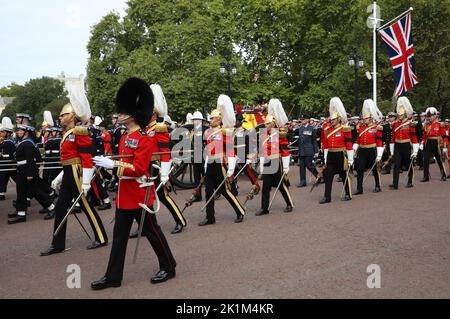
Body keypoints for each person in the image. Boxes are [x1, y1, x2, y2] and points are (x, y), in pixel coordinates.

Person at [91, 77, 176, 290]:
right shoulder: (122, 137)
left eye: (123, 110)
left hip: (139, 195)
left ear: (133, 113)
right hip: (124, 195)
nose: (119, 114)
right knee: (119, 238)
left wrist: (112, 165)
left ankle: (169, 265)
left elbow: (138, 168)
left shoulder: (145, 139)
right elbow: (124, 162)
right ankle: (113, 276)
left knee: (152, 232)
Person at [40, 80, 108, 255]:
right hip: (70, 173)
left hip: (78, 174)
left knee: (85, 205)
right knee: (61, 207)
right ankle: (58, 244)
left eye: (63, 115)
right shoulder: (67, 134)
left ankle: (101, 237)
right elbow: (69, 160)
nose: (60, 118)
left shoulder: (80, 132)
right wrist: (59, 178)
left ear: (71, 116)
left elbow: (86, 159)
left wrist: (86, 183)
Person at [199, 94, 245, 226]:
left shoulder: (225, 132)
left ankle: (240, 211)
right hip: (211, 163)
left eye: (212, 118)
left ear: (219, 120)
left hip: (220, 164)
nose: (210, 120)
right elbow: (208, 150)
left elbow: (230, 150)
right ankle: (210, 217)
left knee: (225, 191)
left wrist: (231, 168)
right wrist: (206, 165)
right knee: (208, 191)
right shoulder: (208, 133)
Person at [8, 124, 56, 224]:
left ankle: (52, 207)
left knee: (35, 191)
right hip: (22, 170)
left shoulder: (27, 143)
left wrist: (30, 174)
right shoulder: (23, 142)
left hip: (27, 171)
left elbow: (30, 160)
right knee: (21, 192)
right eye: (18, 130)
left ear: (26, 132)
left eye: (21, 131)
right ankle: (21, 213)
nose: (18, 132)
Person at [256, 99, 294, 215]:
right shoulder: (263, 134)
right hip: (267, 161)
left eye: (268, 123)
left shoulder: (279, 134)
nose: (266, 125)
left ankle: (289, 203)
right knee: (266, 186)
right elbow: (262, 151)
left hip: (277, 161)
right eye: (265, 123)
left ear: (273, 123)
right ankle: (264, 208)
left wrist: (286, 166)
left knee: (280, 185)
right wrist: (262, 165)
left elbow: (285, 150)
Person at [320, 97, 354, 204]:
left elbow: (349, 144)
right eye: (331, 119)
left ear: (338, 119)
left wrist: (350, 159)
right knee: (328, 175)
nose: (332, 121)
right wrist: (325, 157)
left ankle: (348, 194)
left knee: (344, 175)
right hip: (330, 155)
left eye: (334, 119)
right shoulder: (327, 130)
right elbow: (325, 145)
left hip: (341, 154)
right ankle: (327, 197)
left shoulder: (345, 129)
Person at [353, 99, 384, 195]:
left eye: (366, 118)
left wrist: (379, 155)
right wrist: (354, 149)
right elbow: (358, 140)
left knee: (375, 169)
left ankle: (378, 185)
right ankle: (359, 188)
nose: (364, 120)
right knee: (359, 169)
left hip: (372, 150)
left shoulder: (376, 128)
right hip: (362, 150)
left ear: (370, 118)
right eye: (364, 118)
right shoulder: (361, 128)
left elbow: (379, 141)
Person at [389, 97, 419, 189]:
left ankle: (410, 181)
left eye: (401, 115)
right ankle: (395, 183)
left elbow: (413, 137)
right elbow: (393, 138)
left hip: (406, 145)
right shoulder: (395, 124)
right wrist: (392, 150)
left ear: (405, 114)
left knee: (408, 163)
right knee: (396, 164)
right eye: (399, 115)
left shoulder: (410, 124)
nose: (399, 116)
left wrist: (415, 150)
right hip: (397, 146)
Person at [420, 107, 448, 182]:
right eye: (428, 116)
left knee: (439, 160)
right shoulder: (426, 125)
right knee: (425, 159)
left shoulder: (440, 124)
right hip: (428, 143)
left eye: (431, 115)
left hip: (437, 143)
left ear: (435, 115)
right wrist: (422, 142)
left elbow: (444, 136)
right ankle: (426, 177)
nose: (430, 117)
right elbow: (424, 136)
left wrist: (445, 146)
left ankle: (443, 175)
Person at [295, 114, 319, 187]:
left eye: (303, 119)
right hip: (301, 150)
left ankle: (319, 176)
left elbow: (314, 141)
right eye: (301, 119)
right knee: (301, 166)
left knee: (309, 165)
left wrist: (316, 151)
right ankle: (303, 181)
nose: (302, 121)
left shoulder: (312, 129)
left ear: (307, 120)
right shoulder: (300, 128)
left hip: (309, 149)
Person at [0, 117, 16, 200]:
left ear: (8, 133)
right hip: (5, 163)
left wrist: (1, 156)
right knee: (2, 178)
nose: (1, 133)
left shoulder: (8, 142)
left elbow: (9, 154)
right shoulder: (5, 141)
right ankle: (1, 193)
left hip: (9, 163)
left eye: (3, 132)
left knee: (16, 179)